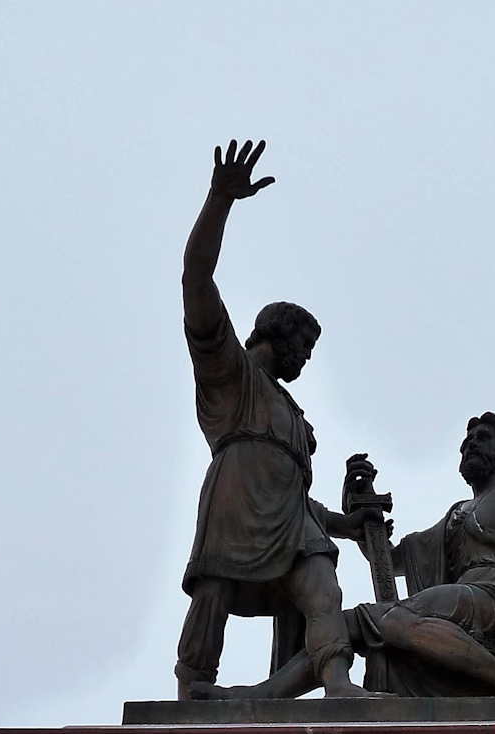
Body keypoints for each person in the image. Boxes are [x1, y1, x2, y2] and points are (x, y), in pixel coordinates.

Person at [215, 414, 495, 697]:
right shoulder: (454, 517)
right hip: (466, 598)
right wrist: (360, 517)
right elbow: (390, 561)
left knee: (389, 618)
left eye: (480, 438)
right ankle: (262, 695)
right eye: (466, 441)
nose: (469, 445)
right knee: (347, 624)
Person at [176, 139, 379, 699]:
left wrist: (348, 523)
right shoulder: (229, 372)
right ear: (279, 334)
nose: (305, 359)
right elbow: (196, 277)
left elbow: (299, 500)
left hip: (291, 524)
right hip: (236, 500)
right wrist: (220, 200)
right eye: (304, 347)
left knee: (321, 583)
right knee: (213, 594)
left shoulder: (295, 417)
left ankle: (333, 682)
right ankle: (192, 690)